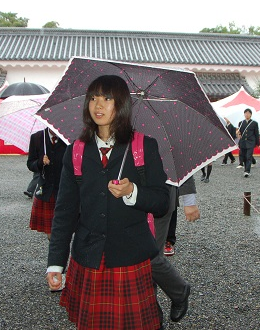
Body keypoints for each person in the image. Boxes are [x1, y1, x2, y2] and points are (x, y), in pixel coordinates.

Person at [46, 75, 170, 330]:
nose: (98, 105)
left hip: (130, 256)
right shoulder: (76, 150)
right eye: (93, 98)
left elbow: (161, 202)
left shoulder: (143, 146)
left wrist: (132, 191)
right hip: (87, 256)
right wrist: (56, 262)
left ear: (121, 104)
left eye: (107, 98)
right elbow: (65, 211)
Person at [153, 177, 199, 324]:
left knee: (150, 257)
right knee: (135, 260)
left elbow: (181, 160)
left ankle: (179, 290)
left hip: (160, 197)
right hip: (127, 196)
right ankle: (152, 315)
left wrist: (189, 201)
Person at [27, 128, 67, 240]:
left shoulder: (67, 138)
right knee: (51, 232)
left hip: (65, 189)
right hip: (46, 190)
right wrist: (40, 162)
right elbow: (30, 164)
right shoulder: (37, 138)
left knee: (66, 229)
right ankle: (55, 254)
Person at [236, 109, 260, 178]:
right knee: (244, 156)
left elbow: (256, 133)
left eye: (248, 113)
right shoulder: (241, 123)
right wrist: (237, 134)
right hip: (243, 142)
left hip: (250, 142)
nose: (247, 114)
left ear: (250, 114)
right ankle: (245, 169)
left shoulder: (254, 123)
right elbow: (239, 134)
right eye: (245, 113)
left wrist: (258, 143)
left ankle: (247, 171)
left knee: (249, 156)